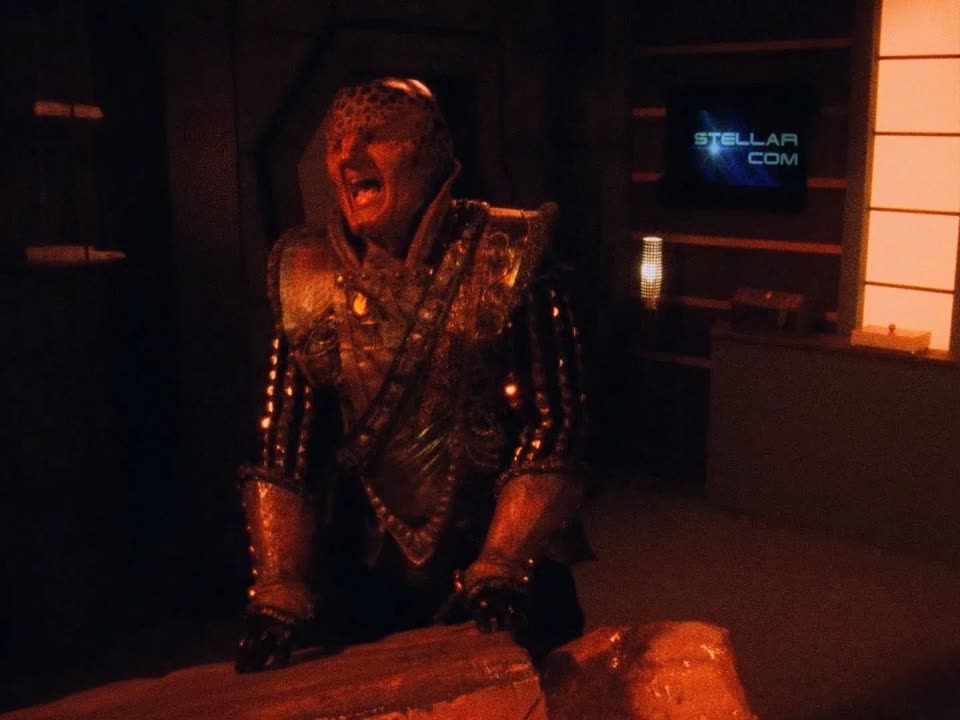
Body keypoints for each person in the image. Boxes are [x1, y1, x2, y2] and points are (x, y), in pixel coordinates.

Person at [235, 77, 589, 673]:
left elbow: (555, 420)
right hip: (370, 558)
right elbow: (283, 443)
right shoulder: (305, 272)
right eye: (336, 141)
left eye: (374, 135)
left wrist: (503, 562)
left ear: (430, 154)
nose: (347, 155)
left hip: (500, 549)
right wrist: (279, 586)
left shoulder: (510, 251)